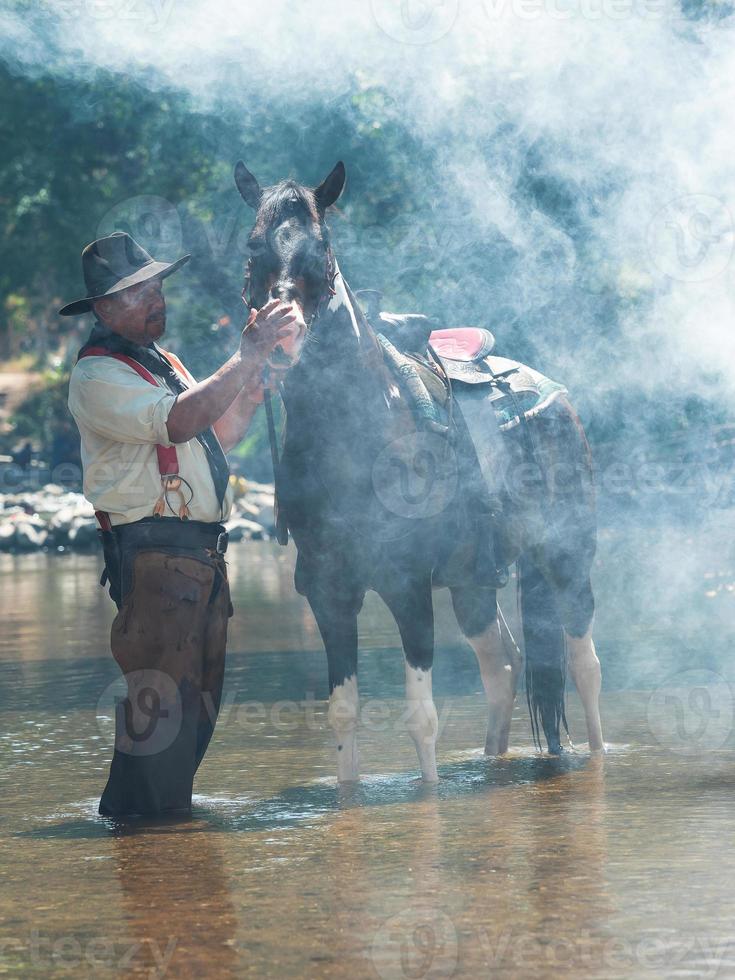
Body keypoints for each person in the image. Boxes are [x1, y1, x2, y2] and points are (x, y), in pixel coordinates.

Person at [61, 232, 297, 817]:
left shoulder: (162, 363)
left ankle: (143, 841)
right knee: (164, 712)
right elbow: (179, 421)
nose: (155, 299)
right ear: (102, 309)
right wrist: (245, 355)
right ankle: (155, 837)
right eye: (138, 291)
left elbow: (217, 435)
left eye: (156, 286)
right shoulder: (95, 375)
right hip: (154, 559)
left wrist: (253, 377)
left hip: (194, 561)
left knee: (191, 713)